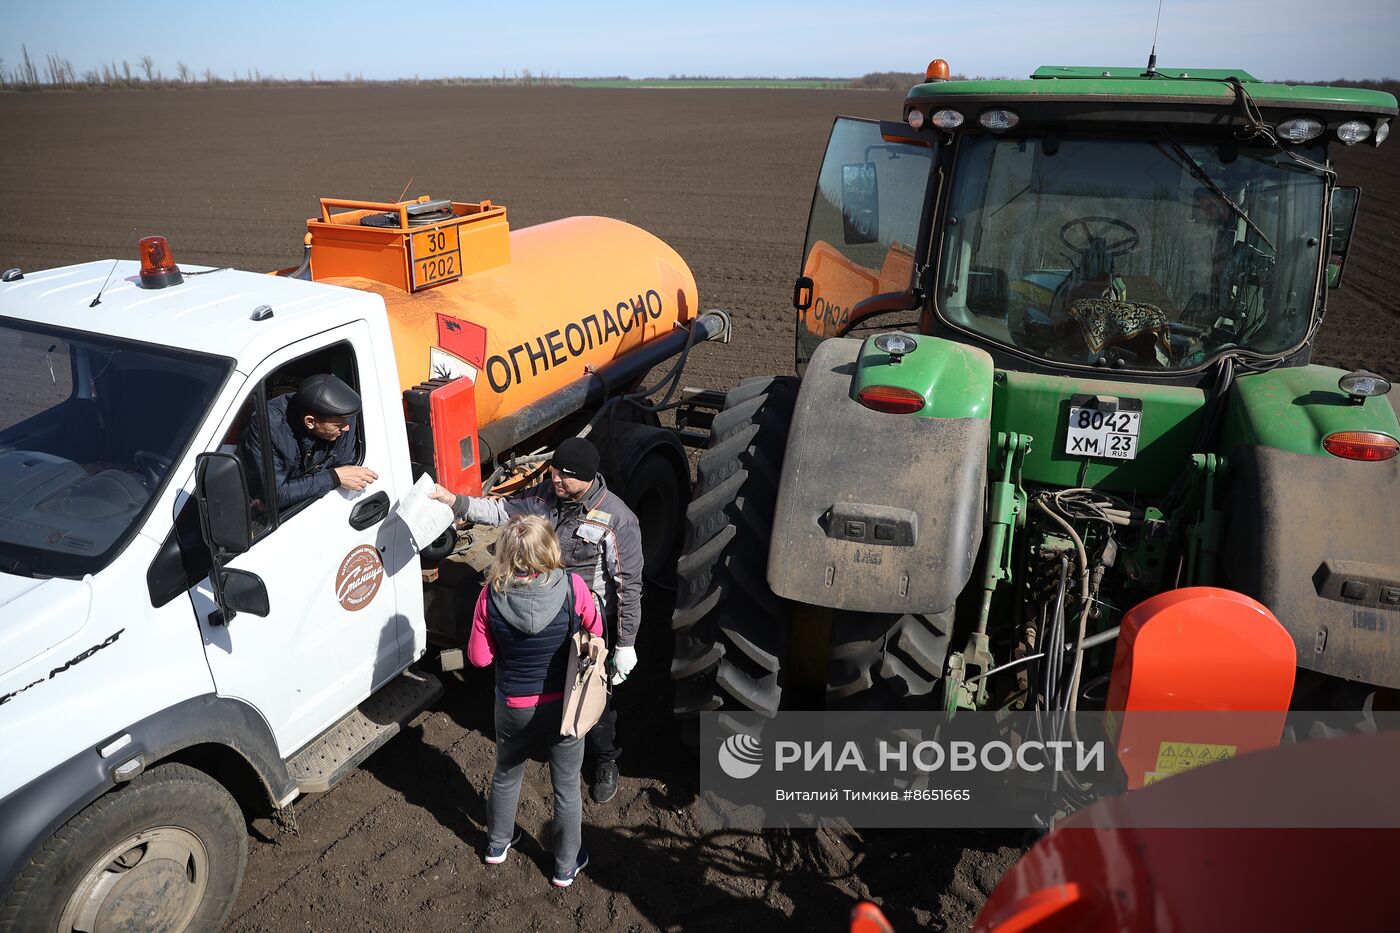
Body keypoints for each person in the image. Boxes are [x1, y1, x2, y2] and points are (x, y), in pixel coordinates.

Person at [429, 436, 643, 804]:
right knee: (545, 682)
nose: (556, 480)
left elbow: (628, 586)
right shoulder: (545, 495)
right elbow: (500, 512)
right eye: (555, 472)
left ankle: (606, 758)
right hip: (542, 606)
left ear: (589, 478)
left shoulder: (617, 520)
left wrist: (625, 644)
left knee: (591, 693)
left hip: (584, 621)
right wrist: (455, 501)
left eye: (566, 477)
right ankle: (550, 736)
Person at [469, 515, 601, 888]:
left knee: (507, 775)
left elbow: (479, 658)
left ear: (507, 552)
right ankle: (564, 866)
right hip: (564, 709)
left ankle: (497, 844)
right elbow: (597, 630)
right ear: (549, 547)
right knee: (566, 786)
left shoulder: (490, 595)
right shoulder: (574, 587)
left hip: (513, 706)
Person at [240, 373, 378, 510]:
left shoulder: (342, 416)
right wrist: (332, 478)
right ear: (310, 422)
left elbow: (347, 466)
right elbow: (277, 495)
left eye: (347, 421)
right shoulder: (268, 427)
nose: (347, 428)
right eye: (338, 425)